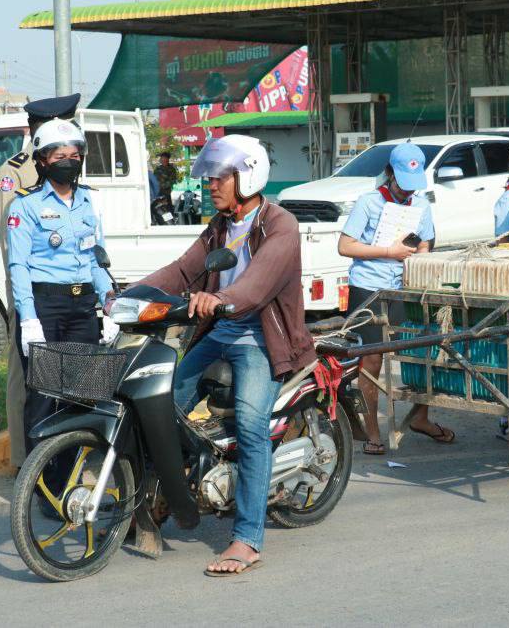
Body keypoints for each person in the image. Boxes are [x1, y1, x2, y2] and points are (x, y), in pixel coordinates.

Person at [137, 134, 315, 577]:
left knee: (252, 427)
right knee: (161, 405)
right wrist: (132, 294)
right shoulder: (220, 225)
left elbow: (257, 285)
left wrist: (220, 299)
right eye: (211, 177)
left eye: (220, 177)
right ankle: (169, 493)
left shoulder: (280, 225)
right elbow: (183, 270)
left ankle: (248, 539)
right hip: (222, 332)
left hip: (262, 338)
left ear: (247, 177)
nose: (211, 184)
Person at [7, 118, 113, 479]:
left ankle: (70, 479)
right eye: (59, 156)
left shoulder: (89, 202)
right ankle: (41, 486)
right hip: (46, 309)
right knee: (44, 398)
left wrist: (109, 303)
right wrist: (28, 318)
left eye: (74, 154)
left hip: (82, 309)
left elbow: (96, 258)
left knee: (81, 397)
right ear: (42, 161)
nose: (69, 161)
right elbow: (18, 265)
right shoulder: (26, 205)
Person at [338, 142, 453, 454]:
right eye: (402, 184)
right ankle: (373, 431)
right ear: (389, 173)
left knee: (422, 351)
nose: (407, 191)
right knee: (372, 358)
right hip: (368, 287)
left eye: (412, 185)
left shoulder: (421, 205)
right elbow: (345, 246)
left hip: (403, 287)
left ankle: (420, 417)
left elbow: (425, 244)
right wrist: (389, 252)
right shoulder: (368, 202)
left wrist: (418, 261)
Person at [0, 94, 80, 466]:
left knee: (68, 380)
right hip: (31, 293)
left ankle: (65, 460)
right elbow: (12, 246)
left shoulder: (70, 161)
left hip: (70, 295)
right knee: (27, 379)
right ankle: (24, 462)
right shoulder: (14, 173)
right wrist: (26, 303)